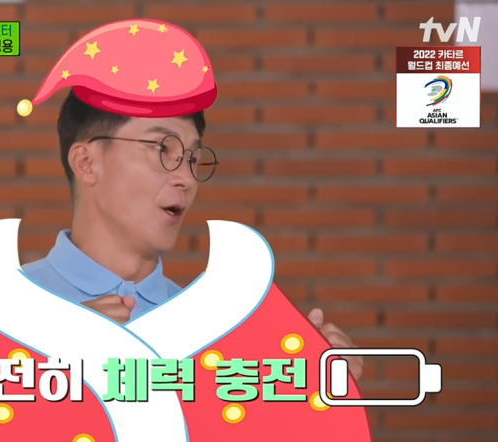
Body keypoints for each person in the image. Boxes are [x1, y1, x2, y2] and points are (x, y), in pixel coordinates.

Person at [19, 43, 363, 381]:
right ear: (86, 163)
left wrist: (315, 385)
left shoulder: (219, 336)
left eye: (192, 158)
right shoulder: (4, 312)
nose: (186, 178)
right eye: (161, 148)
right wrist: (51, 365)